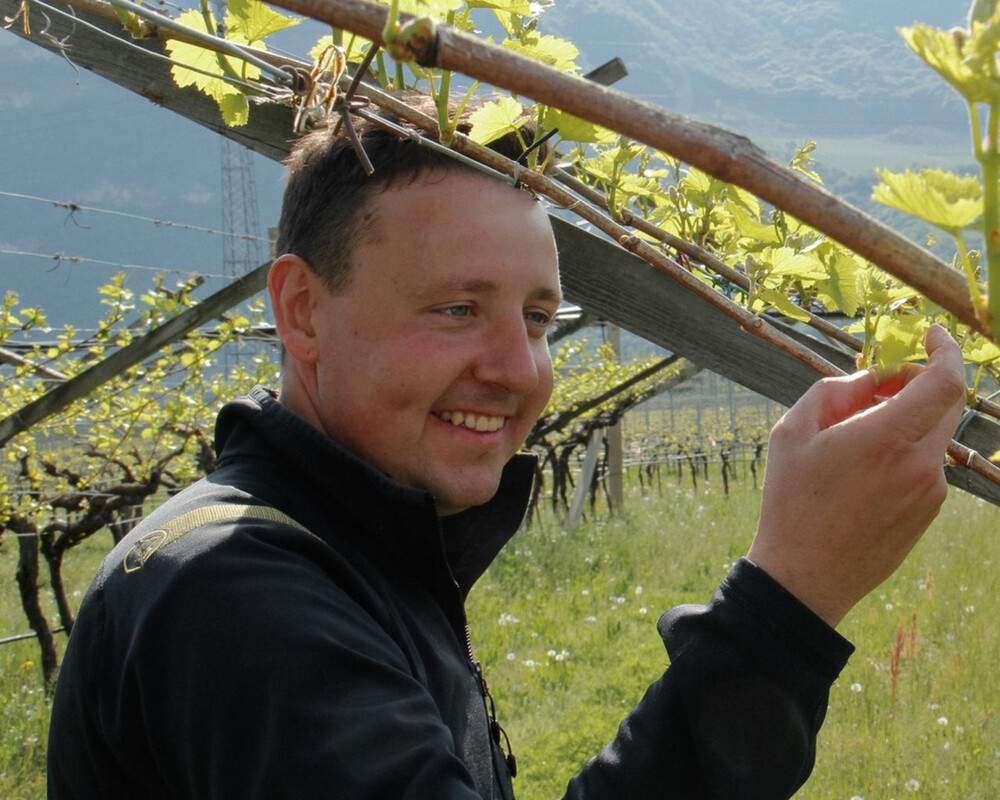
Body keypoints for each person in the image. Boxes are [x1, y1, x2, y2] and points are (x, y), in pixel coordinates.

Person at [47, 96, 968, 800]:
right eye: (458, 308)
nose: (522, 370)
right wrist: (787, 602)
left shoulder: (346, 552)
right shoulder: (231, 592)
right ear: (302, 311)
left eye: (538, 317)